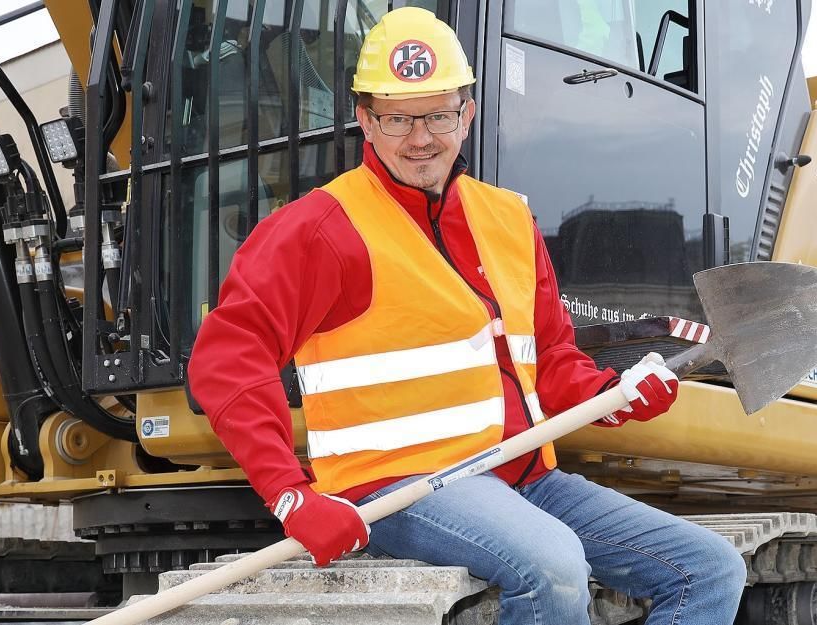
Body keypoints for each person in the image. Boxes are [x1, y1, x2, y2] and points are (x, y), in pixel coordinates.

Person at [188, 7, 747, 624]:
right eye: (398, 118)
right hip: (399, 487)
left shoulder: (508, 218)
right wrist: (291, 495)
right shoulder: (323, 228)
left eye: (438, 114)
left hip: (523, 475)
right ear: (365, 121)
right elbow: (227, 356)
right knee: (554, 566)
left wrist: (615, 394)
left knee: (710, 569)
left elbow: (550, 359)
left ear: (467, 114)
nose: (420, 138)